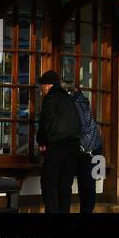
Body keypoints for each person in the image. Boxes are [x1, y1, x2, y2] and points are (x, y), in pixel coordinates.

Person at [36, 70, 81, 213]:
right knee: (65, 185)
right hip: (73, 146)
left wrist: (42, 142)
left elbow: (45, 122)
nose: (40, 90)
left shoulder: (50, 98)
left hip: (57, 146)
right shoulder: (68, 99)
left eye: (41, 86)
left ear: (48, 86)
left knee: (48, 183)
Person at [71, 86, 104, 213]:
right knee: (90, 186)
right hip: (96, 148)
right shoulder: (82, 101)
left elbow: (82, 127)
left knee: (87, 186)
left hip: (89, 151)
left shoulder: (76, 104)